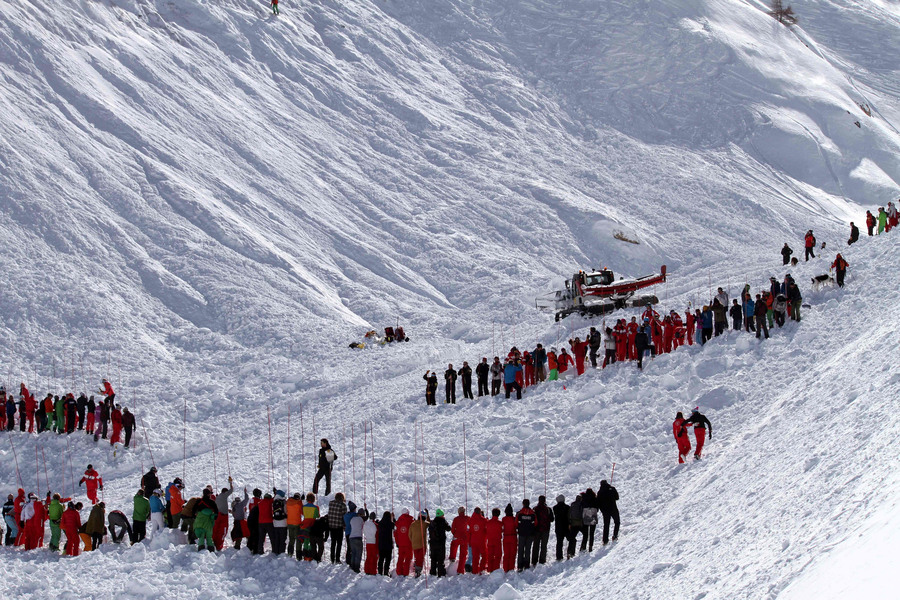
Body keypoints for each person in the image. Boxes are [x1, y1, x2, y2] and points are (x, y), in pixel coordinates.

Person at [532, 495, 554, 564]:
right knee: (543, 546)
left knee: (536, 545)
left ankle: (534, 560)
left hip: (537, 530)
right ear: (545, 501)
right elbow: (552, 519)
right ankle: (542, 560)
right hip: (545, 529)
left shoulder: (535, 509)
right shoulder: (548, 509)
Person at [597, 480, 620, 544]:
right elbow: (617, 497)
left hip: (605, 511)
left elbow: (598, 503)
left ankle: (605, 540)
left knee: (606, 525)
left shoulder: (599, 492)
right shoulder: (612, 489)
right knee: (617, 522)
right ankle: (615, 536)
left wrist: (601, 510)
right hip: (613, 509)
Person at [516, 499, 536, 571]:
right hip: (530, 534)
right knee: (528, 549)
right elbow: (536, 523)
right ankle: (527, 564)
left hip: (522, 534)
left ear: (523, 504)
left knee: (521, 549)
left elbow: (516, 524)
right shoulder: (533, 513)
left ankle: (520, 565)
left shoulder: (519, 513)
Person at [214, 478, 234, 550]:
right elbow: (231, 490)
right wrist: (230, 483)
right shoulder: (224, 495)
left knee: (215, 530)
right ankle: (219, 546)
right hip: (223, 517)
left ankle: (214, 543)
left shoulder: (218, 497)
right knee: (222, 531)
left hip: (218, 515)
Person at [327, 493, 347, 563]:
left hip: (331, 526)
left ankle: (332, 558)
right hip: (339, 527)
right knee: (339, 543)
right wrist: (345, 527)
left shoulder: (331, 503)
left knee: (333, 543)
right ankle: (337, 559)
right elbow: (344, 518)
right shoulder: (343, 506)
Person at [408, 510, 429, 577]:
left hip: (414, 545)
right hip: (422, 545)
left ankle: (416, 567)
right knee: (421, 558)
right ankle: (418, 571)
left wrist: (413, 540)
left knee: (417, 558)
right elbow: (431, 523)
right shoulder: (425, 524)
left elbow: (409, 535)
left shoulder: (412, 524)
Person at [449, 507, 469, 574]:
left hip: (457, 537)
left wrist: (455, 533)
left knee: (453, 545)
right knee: (463, 554)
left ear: (459, 512)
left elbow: (452, 529)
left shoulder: (456, 519)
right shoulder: (468, 518)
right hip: (464, 538)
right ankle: (460, 570)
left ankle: (452, 558)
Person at [394, 508, 414, 576]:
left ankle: (399, 572)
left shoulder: (398, 521)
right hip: (408, 543)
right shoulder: (411, 520)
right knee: (408, 558)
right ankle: (405, 572)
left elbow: (395, 533)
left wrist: (397, 542)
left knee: (400, 558)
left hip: (401, 543)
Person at [346, 502, 364, 573]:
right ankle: (357, 567)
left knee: (353, 552)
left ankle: (352, 565)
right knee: (358, 553)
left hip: (351, 537)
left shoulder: (352, 519)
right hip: (358, 537)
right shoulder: (361, 520)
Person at [377, 511, 395, 576]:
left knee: (381, 558)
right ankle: (386, 571)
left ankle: (379, 571)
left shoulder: (380, 523)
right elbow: (394, 525)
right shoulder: (390, 524)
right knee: (388, 559)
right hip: (388, 544)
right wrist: (393, 518)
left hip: (381, 544)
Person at [485, 508, 502, 572]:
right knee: (497, 556)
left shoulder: (488, 523)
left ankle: (490, 569)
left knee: (490, 556)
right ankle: (496, 569)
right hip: (497, 541)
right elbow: (503, 530)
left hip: (490, 541)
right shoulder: (500, 523)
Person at [501, 504, 517, 572]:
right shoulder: (514, 519)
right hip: (513, 537)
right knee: (512, 554)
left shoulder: (504, 519)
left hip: (506, 537)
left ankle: (505, 568)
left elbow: (502, 528)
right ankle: (511, 568)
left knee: (506, 554)